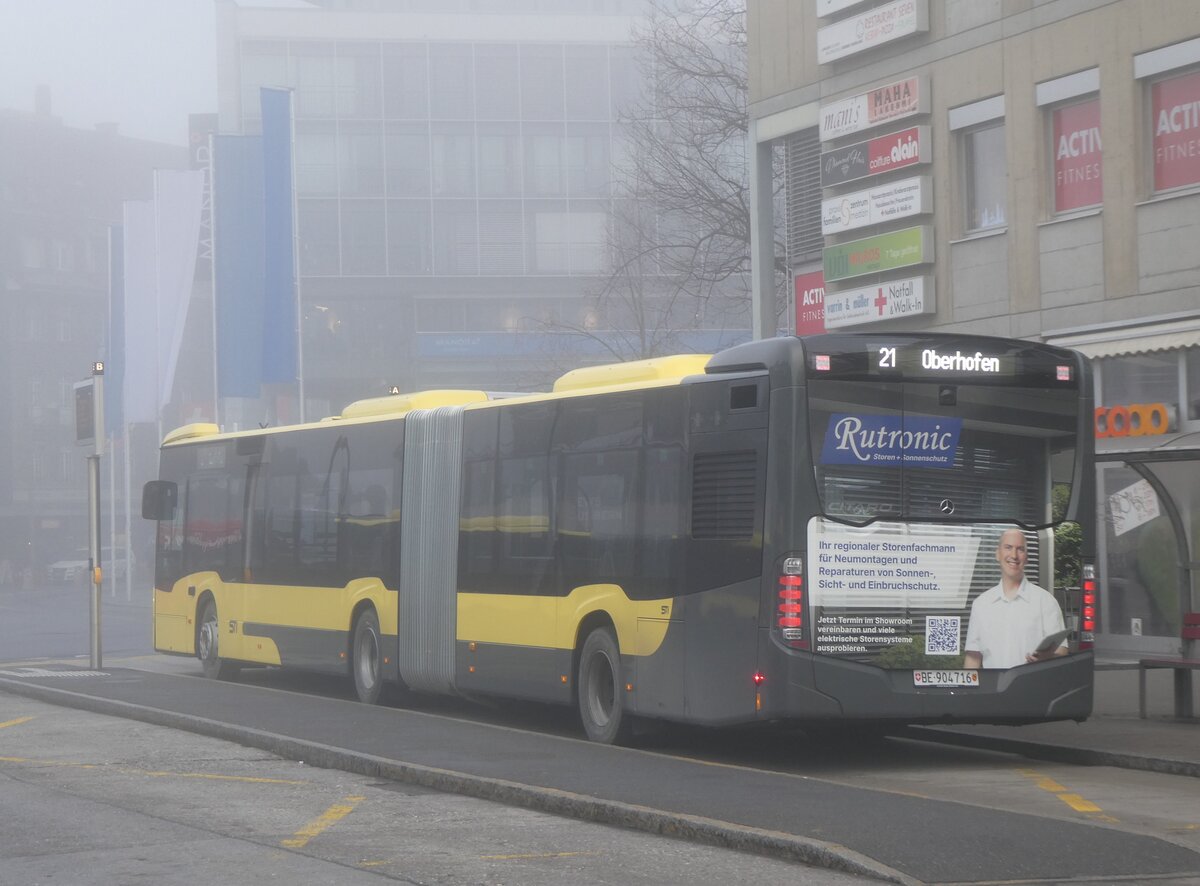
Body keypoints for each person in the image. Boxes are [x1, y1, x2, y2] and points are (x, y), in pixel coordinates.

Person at [963, 529, 1068, 669]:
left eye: (1020, 549)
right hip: (993, 689)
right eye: (1008, 547)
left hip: (1032, 688)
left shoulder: (1046, 602)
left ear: (1027, 557)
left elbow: (1062, 650)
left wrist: (1047, 658)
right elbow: (973, 659)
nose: (1014, 555)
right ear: (997, 554)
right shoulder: (981, 604)